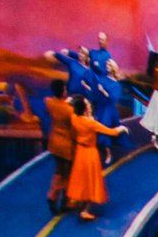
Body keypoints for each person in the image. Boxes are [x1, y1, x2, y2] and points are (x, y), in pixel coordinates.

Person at [62, 96, 128, 222]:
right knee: (91, 181)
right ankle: (85, 210)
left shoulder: (74, 118)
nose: (89, 105)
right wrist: (121, 128)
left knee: (80, 179)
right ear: (84, 108)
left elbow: (68, 106)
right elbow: (111, 132)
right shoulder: (90, 123)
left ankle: (76, 200)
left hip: (80, 151)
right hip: (90, 153)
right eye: (87, 104)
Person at [42, 80, 74, 211]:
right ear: (62, 92)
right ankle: (60, 199)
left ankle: (54, 196)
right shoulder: (69, 110)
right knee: (66, 174)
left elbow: (49, 101)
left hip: (54, 142)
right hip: (66, 145)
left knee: (59, 170)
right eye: (65, 89)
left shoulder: (49, 102)